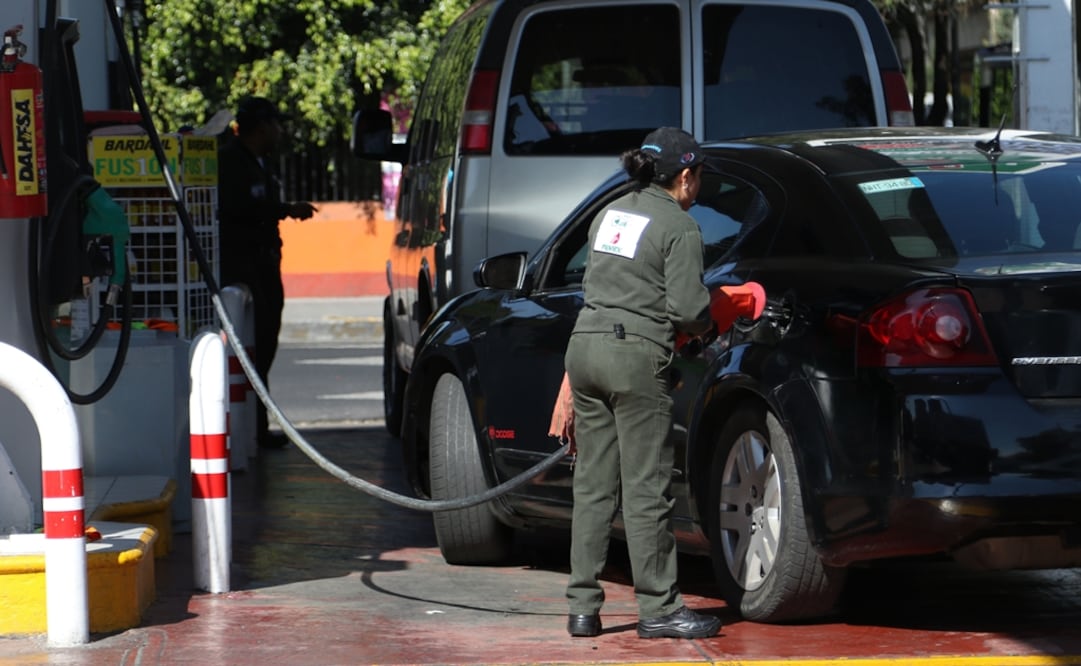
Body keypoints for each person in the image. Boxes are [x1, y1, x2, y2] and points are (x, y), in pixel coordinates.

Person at [564, 127, 721, 640]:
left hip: (584, 349)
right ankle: (659, 609)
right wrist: (713, 320)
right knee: (647, 489)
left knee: (592, 485)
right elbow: (688, 310)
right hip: (634, 357)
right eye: (697, 177)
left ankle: (583, 608)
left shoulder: (611, 212)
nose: (697, 186)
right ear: (684, 177)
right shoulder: (679, 225)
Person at [217, 96, 316, 449]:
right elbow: (237, 209)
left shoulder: (259, 163)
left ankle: (256, 427)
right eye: (275, 124)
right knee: (253, 344)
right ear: (261, 127)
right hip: (245, 265)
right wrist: (285, 209)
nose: (280, 131)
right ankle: (251, 429)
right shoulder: (231, 162)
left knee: (266, 342)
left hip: (265, 263)